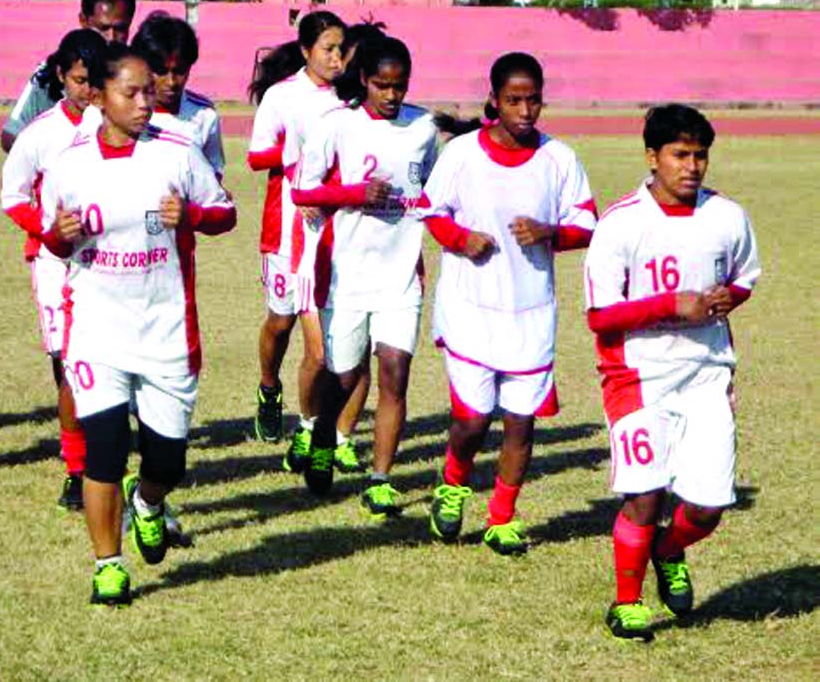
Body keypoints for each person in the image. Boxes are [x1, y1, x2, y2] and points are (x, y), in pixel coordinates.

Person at [42, 44, 235, 607]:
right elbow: (53, 240)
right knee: (103, 449)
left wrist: (193, 216)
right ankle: (108, 565)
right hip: (97, 329)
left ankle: (148, 501)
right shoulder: (69, 163)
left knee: (167, 460)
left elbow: (225, 212)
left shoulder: (177, 151)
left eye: (149, 91)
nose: (146, 102)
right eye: (132, 93)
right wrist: (60, 233)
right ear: (99, 98)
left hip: (165, 329)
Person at [584, 105, 760, 641]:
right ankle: (627, 602)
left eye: (700, 155)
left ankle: (669, 549)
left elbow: (744, 277)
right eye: (680, 155)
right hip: (638, 377)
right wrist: (669, 306)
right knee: (645, 495)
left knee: (708, 504)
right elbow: (600, 315)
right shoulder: (621, 224)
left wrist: (732, 297)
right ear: (652, 158)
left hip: (708, 373)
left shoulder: (727, 216)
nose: (692, 166)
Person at [419, 52, 597, 555]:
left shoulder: (559, 158)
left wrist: (551, 232)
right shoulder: (462, 155)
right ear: (493, 101)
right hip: (471, 308)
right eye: (514, 100)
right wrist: (460, 238)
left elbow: (588, 224)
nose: (525, 110)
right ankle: (453, 485)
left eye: (533, 99)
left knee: (521, 423)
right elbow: (430, 210)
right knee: (473, 419)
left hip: (530, 314)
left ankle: (502, 517)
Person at [291, 36, 439, 513]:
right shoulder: (337, 125)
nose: (392, 95)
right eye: (382, 86)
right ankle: (321, 437)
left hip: (402, 275)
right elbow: (302, 191)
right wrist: (354, 194)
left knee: (395, 373)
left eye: (400, 86)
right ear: (364, 82)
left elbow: (431, 189)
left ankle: (379, 478)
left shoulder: (423, 127)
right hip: (347, 272)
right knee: (344, 374)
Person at [0, 29, 107, 512]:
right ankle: (76, 468)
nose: (87, 91)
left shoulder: (119, 125)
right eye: (80, 81)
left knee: (107, 362)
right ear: (61, 77)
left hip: (110, 262)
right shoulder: (41, 132)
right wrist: (49, 231)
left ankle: (108, 451)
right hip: (56, 264)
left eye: (94, 81)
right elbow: (13, 196)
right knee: (68, 364)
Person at [246, 11, 346, 458]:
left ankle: (329, 432)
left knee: (331, 335)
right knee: (281, 322)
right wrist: (294, 152)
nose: (337, 58)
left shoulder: (353, 95)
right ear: (306, 51)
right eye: (328, 49)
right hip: (287, 229)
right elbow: (254, 156)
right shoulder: (281, 97)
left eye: (342, 49)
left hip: (338, 229)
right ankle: (269, 387)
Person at [0, 0, 136, 153]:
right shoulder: (49, 74)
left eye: (120, 29)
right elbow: (11, 136)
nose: (111, 37)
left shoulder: (141, 76)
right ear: (83, 21)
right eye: (103, 28)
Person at [130, 11, 225, 178]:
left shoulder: (204, 114)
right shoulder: (122, 112)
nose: (171, 82)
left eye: (180, 71)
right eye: (160, 71)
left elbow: (212, 175)